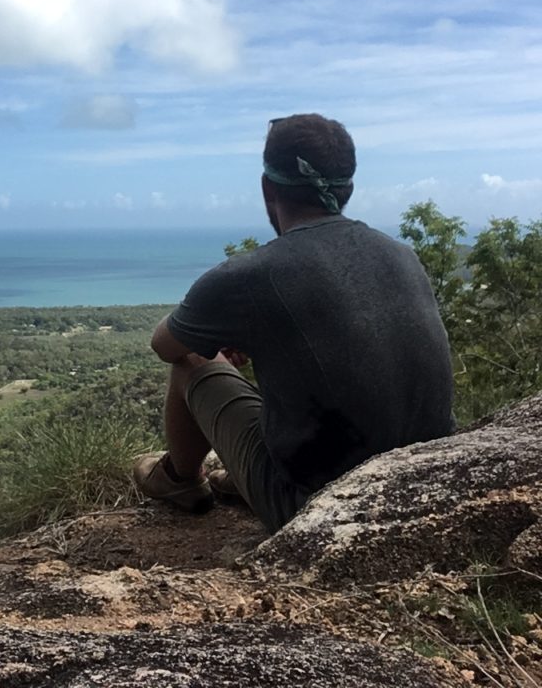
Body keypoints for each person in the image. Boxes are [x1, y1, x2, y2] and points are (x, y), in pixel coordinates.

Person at [133, 113, 454, 533]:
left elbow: (165, 346)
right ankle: (244, 474)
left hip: (315, 506)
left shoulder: (249, 274)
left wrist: (227, 330)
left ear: (268, 188)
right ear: (348, 189)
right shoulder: (401, 255)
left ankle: (179, 481)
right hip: (429, 482)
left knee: (192, 356)